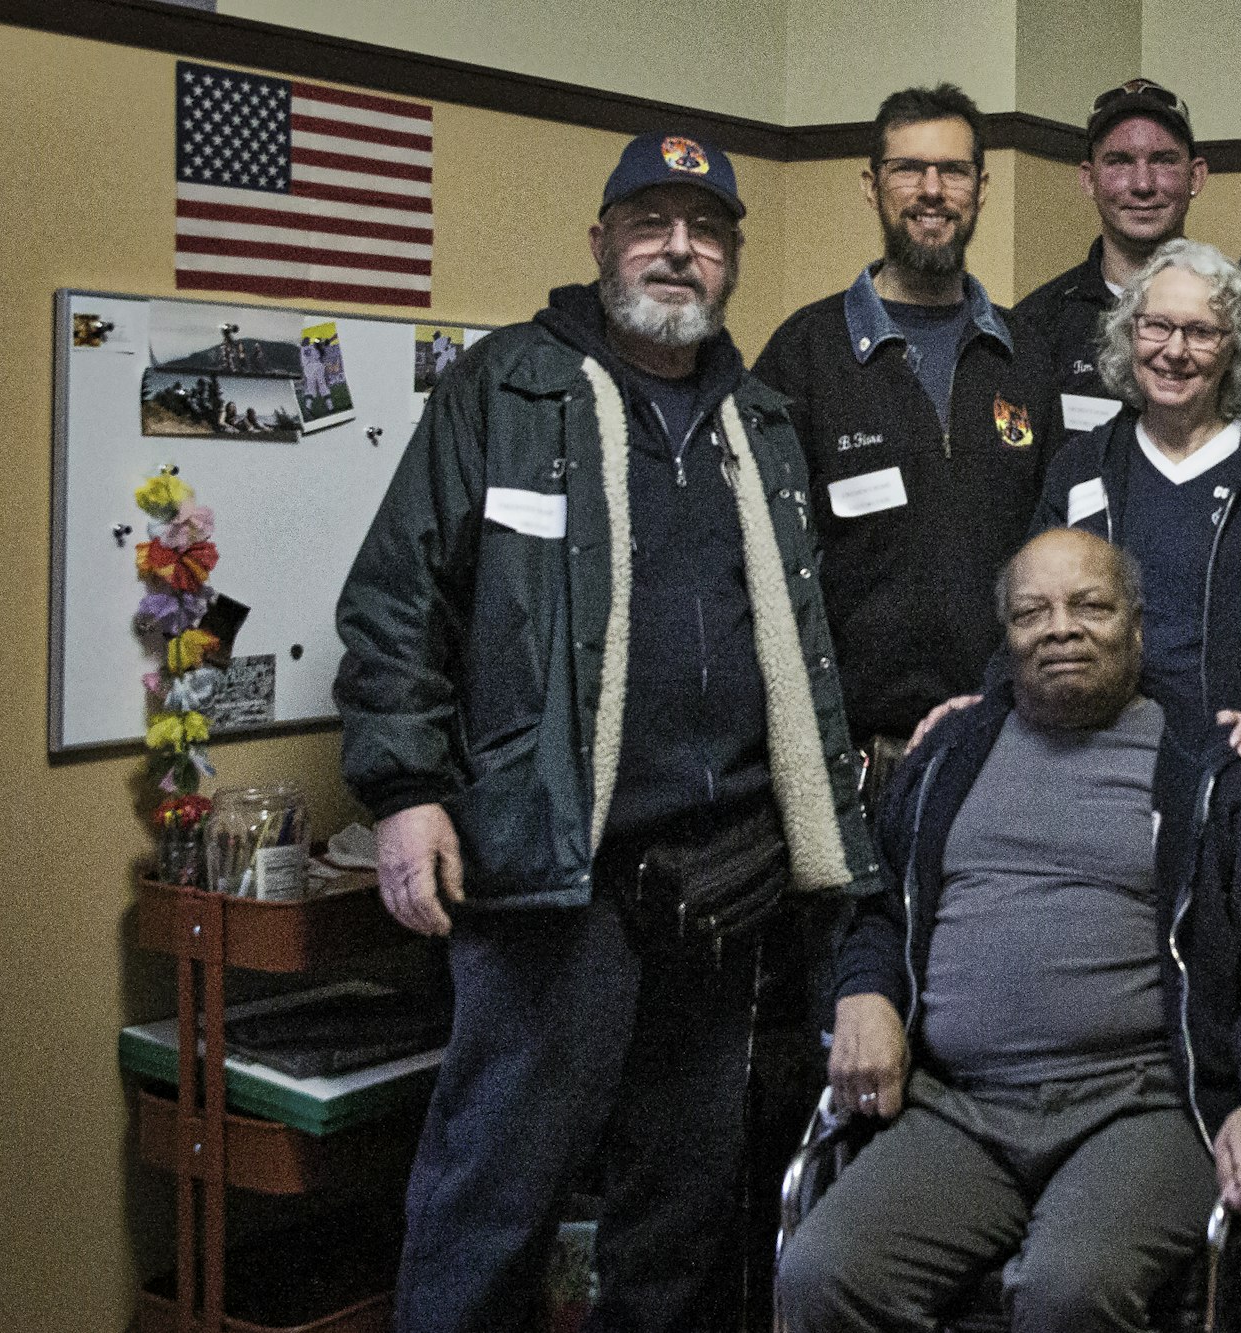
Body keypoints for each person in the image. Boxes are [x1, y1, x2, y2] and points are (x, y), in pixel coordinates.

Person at [334, 130, 880, 1332]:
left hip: (721, 888)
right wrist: (405, 788)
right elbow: (394, 600)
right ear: (600, 243)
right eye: (650, 223)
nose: (677, 250)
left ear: (731, 258)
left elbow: (804, 649)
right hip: (548, 882)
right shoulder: (507, 389)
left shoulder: (765, 423)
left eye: (704, 230)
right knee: (492, 1199)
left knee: (680, 1214)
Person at [777, 528, 1241, 1332]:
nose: (1060, 627)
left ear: (1137, 627)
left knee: (1068, 1290)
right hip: (961, 1109)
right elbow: (879, 908)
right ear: (1007, 636)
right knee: (820, 1272)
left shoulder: (1212, 771)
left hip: (1145, 1107)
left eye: (1090, 605)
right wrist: (865, 992)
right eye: (1032, 611)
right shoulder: (948, 755)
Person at [753, 84, 1059, 787]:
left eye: (952, 170)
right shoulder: (804, 353)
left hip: (1012, 744)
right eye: (907, 169)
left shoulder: (1026, 353)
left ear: (981, 188)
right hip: (858, 760)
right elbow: (765, 566)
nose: (931, 190)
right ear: (872, 185)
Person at [1033, 238, 1241, 782]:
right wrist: (982, 707)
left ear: (1233, 349)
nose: (1175, 351)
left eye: (1201, 332)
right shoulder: (1081, 467)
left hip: (1235, 767)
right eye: (1157, 326)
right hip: (1097, 763)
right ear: (1130, 335)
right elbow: (1031, 618)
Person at [1014, 78, 1207, 441]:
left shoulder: (1231, 313)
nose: (1143, 184)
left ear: (1195, 176)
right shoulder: (1037, 324)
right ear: (1088, 180)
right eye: (1119, 162)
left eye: (1163, 161)